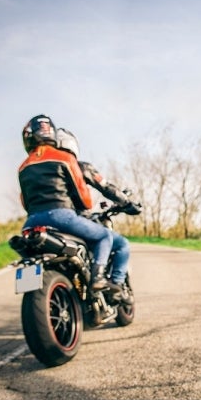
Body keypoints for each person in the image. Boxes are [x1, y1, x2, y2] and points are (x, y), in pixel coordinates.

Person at [18, 115, 139, 300]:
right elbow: (85, 195)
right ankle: (100, 278)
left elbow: (24, 200)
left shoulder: (24, 166)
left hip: (31, 221)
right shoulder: (66, 159)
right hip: (63, 216)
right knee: (106, 237)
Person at [57, 127, 141, 300]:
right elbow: (106, 187)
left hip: (49, 223)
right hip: (76, 221)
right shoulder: (80, 167)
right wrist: (127, 203)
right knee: (121, 244)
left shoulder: (45, 169)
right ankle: (116, 286)